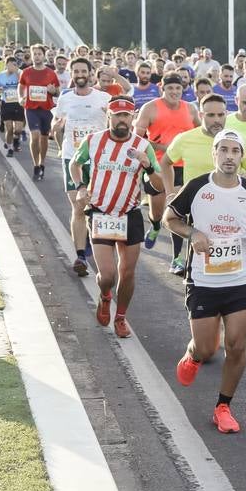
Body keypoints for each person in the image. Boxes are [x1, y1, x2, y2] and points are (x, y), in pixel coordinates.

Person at [167, 129, 246, 435]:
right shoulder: (197, 187)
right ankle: (194, 354)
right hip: (203, 281)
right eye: (223, 150)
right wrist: (193, 233)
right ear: (214, 154)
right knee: (208, 348)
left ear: (241, 156)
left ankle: (223, 407)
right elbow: (169, 219)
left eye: (235, 151)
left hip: (239, 279)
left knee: (236, 346)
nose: (229, 156)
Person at [68, 97, 166, 339]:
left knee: (128, 273)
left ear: (132, 117)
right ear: (109, 116)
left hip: (129, 213)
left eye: (127, 115)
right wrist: (81, 186)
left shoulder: (143, 146)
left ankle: (121, 317)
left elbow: (159, 185)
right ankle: (105, 296)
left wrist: (149, 167)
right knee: (108, 275)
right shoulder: (94, 141)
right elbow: (74, 163)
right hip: (101, 212)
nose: (122, 120)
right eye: (117, 115)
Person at [165, 95, 246, 275]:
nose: (216, 120)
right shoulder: (185, 138)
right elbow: (165, 162)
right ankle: (179, 258)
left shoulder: (237, 140)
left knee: (229, 262)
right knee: (195, 254)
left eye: (220, 115)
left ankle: (236, 279)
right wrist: (171, 193)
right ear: (201, 115)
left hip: (231, 206)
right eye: (211, 115)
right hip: (196, 205)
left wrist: (245, 179)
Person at [52, 58, 112, 276]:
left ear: (90, 73)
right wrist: (56, 128)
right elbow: (56, 124)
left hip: (99, 159)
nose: (79, 74)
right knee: (78, 206)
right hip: (72, 157)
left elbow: (120, 111)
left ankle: (98, 247)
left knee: (98, 208)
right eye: (76, 71)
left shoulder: (104, 97)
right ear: (71, 74)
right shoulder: (65, 99)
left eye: (83, 71)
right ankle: (80, 256)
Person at [135, 72, 200, 257]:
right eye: (170, 88)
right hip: (156, 165)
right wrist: (162, 147)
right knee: (157, 212)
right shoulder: (150, 108)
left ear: (183, 89)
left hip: (181, 166)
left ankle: (178, 257)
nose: (174, 92)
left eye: (178, 88)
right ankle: (155, 227)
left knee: (176, 211)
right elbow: (138, 138)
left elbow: (200, 132)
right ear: (162, 88)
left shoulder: (190, 109)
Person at [19, 46, 61, 180]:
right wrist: (20, 97)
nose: (37, 56)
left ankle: (42, 162)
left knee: (44, 138)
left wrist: (52, 91)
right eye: (34, 54)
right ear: (31, 56)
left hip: (46, 109)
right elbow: (21, 85)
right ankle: (36, 165)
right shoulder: (26, 72)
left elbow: (58, 92)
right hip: (31, 108)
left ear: (43, 56)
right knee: (34, 135)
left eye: (39, 54)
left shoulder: (51, 73)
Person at [0, 56, 25, 156]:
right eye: (12, 65)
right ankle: (10, 148)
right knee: (9, 128)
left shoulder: (20, 74)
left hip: (18, 104)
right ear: (7, 65)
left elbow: (26, 84)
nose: (14, 67)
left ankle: (15, 140)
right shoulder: (0, 76)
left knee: (18, 130)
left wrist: (17, 73)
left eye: (16, 65)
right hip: (6, 103)